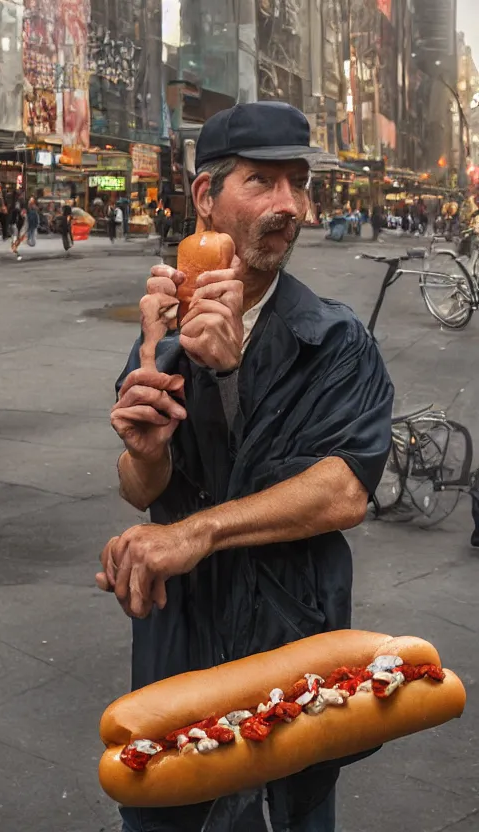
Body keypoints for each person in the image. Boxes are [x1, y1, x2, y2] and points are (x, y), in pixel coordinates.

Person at [99, 102, 394, 832]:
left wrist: (194, 531)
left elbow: (343, 492)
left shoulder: (335, 340)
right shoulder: (161, 335)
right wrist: (147, 451)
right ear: (206, 198)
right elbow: (142, 490)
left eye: (297, 184)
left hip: (292, 643)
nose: (288, 206)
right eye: (262, 182)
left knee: (294, 811)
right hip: (182, 648)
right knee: (168, 813)